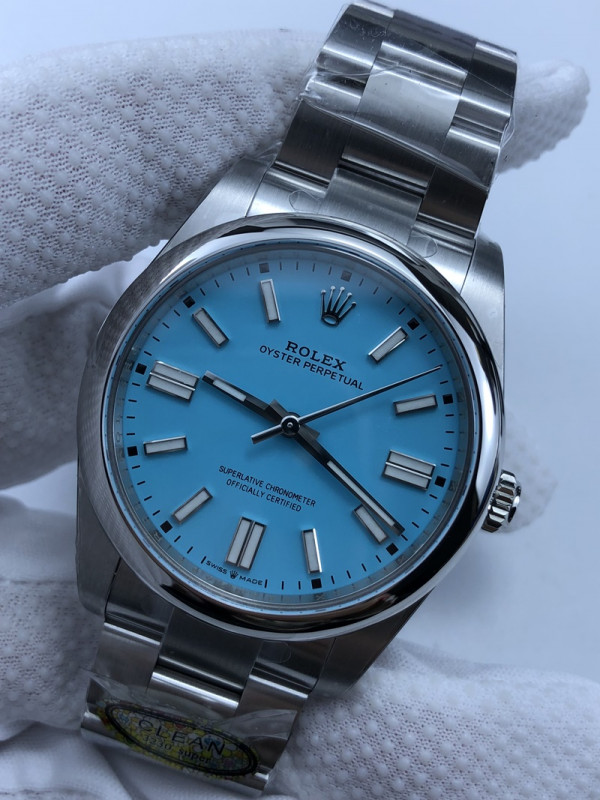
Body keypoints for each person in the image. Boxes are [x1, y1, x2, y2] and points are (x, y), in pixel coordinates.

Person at [0, 28, 596, 799]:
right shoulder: (236, 224)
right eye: (288, 423)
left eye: (297, 429)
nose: (291, 429)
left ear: (486, 494)